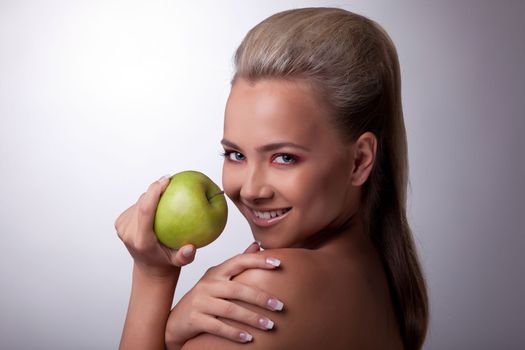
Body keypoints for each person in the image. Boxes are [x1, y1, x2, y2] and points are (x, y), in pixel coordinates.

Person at [115, 7, 428, 350]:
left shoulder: (271, 288)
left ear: (359, 161)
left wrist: (152, 279)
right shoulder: (377, 275)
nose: (249, 190)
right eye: (235, 154)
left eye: (284, 157)